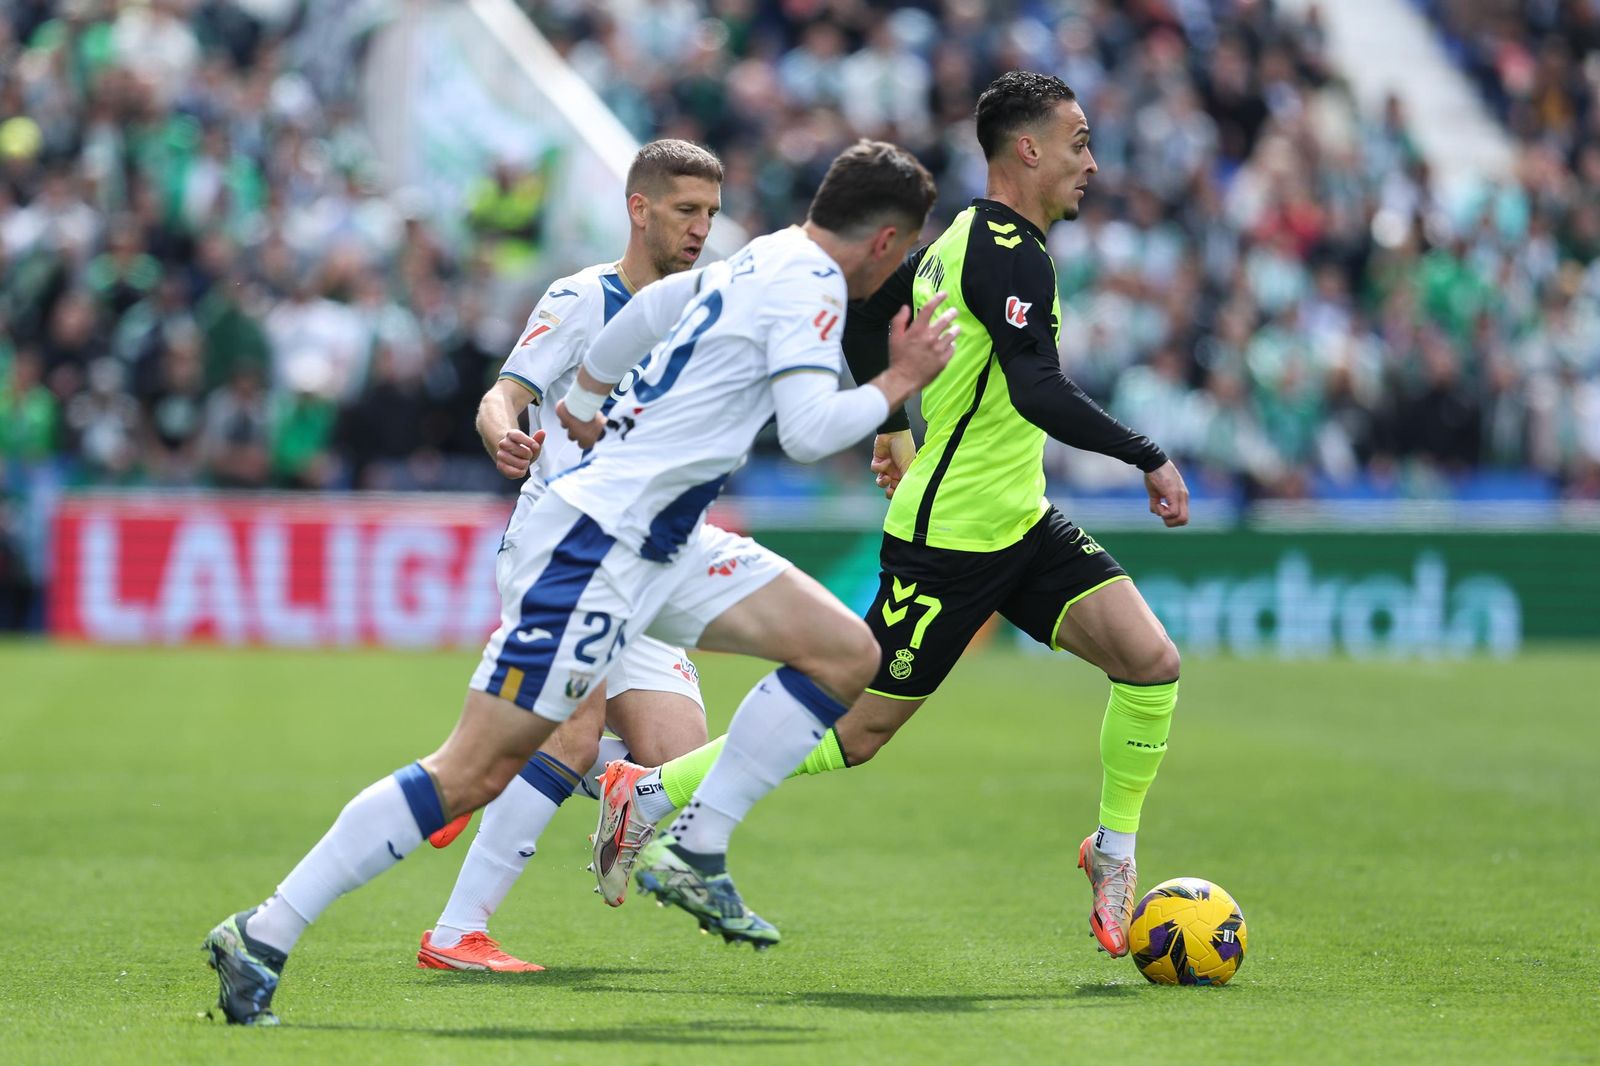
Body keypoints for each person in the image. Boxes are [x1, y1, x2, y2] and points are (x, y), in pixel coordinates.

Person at [202, 138, 956, 1024]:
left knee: (845, 653)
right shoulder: (808, 283)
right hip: (598, 546)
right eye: (905, 254)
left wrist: (587, 397)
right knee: (474, 769)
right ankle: (265, 931)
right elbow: (805, 430)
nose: (900, 273)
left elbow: (658, 307)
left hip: (667, 541)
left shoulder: (762, 256)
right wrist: (901, 381)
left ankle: (694, 845)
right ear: (886, 240)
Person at [622, 71, 1189, 960]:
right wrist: (1146, 453)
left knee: (1151, 664)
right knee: (854, 733)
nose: (1091, 163)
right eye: (1077, 143)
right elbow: (1036, 389)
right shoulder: (1005, 250)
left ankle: (1112, 850)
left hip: (1020, 518)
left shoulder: (959, 239)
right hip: (949, 540)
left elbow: (868, 315)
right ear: (1027, 149)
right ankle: (647, 793)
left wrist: (890, 425)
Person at [414, 139, 725, 974]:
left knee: (677, 765)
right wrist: (502, 434)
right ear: (639, 209)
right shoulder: (584, 297)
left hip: (646, 561)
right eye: (686, 210)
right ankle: (456, 932)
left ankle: (490, 761)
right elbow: (506, 393)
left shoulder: (703, 312)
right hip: (563, 544)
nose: (701, 228)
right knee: (576, 729)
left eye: (710, 213)